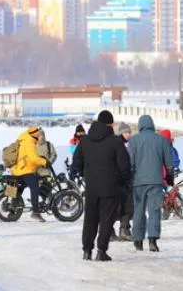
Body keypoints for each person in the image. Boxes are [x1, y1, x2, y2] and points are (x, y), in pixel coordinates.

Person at [73, 110, 130, 262]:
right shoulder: (115, 141)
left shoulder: (84, 141)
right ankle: (101, 251)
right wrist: (123, 182)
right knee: (106, 220)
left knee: (90, 219)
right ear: (110, 124)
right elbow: (125, 166)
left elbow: (76, 163)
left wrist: (86, 175)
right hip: (110, 187)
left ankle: (87, 250)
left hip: (91, 187)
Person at [128, 114, 173, 252]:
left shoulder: (133, 140)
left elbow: (130, 162)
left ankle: (138, 240)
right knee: (154, 210)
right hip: (156, 181)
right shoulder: (162, 140)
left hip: (138, 181)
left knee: (138, 210)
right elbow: (168, 162)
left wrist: (129, 178)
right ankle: (153, 240)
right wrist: (170, 177)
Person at [12, 126, 49, 222]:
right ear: (34, 134)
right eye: (38, 134)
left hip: (19, 169)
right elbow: (33, 158)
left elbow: (29, 158)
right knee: (35, 187)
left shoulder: (24, 139)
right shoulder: (29, 142)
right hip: (25, 170)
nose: (39, 136)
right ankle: (35, 212)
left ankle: (13, 208)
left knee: (20, 187)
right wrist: (44, 162)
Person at [116, 122, 134, 241]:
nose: (128, 134)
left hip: (124, 179)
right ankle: (123, 229)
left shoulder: (128, 144)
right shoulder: (118, 144)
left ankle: (124, 228)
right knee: (126, 206)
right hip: (121, 180)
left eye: (129, 132)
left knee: (124, 206)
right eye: (126, 132)